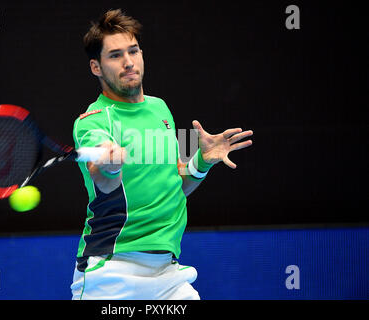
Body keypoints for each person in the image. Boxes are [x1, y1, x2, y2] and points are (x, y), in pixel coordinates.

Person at [70, 9, 253, 300]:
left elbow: (174, 187)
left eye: (133, 51)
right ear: (96, 67)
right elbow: (102, 181)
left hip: (168, 274)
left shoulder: (159, 109)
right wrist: (110, 167)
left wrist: (202, 162)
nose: (129, 62)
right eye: (115, 55)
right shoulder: (93, 121)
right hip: (112, 272)